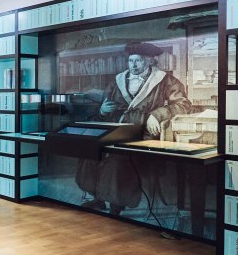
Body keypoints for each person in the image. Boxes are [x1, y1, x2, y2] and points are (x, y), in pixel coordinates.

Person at [75, 42, 192, 215]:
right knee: (91, 151)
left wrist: (157, 114)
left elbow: (184, 105)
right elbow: (105, 106)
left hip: (144, 133)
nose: (133, 65)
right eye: (130, 61)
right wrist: (102, 110)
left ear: (150, 61)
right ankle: (98, 198)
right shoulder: (118, 80)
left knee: (117, 157)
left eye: (138, 61)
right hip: (116, 129)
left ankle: (116, 204)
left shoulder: (165, 80)